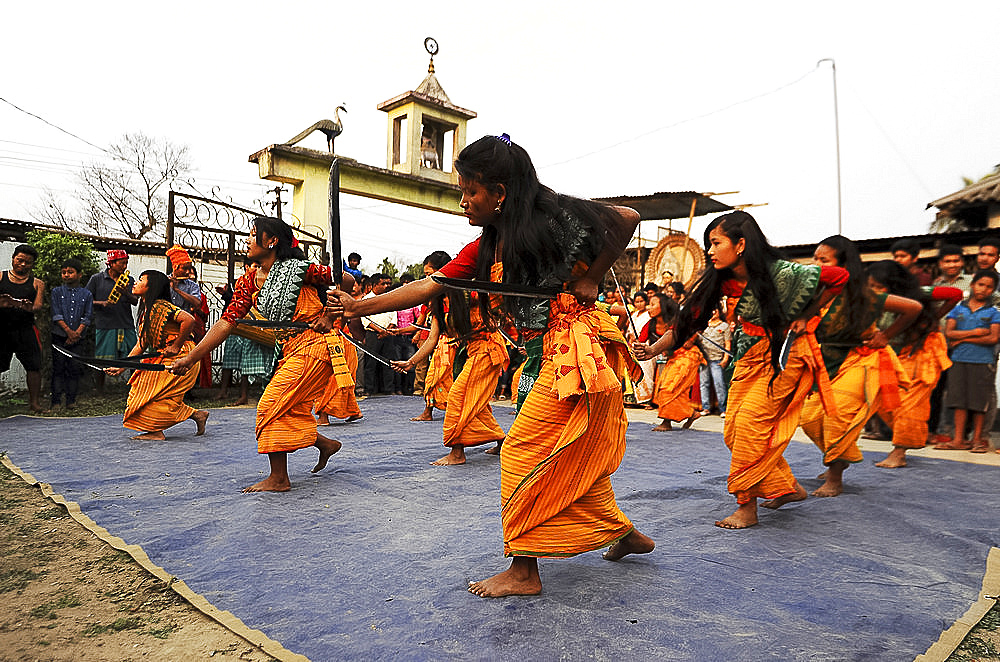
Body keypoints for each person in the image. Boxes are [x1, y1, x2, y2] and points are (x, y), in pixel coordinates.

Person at [328, 134, 654, 597]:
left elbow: (627, 219)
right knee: (563, 451)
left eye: (470, 191)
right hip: (548, 356)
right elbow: (428, 287)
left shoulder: (554, 217)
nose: (463, 202)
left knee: (521, 450)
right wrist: (363, 306)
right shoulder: (484, 248)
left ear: (499, 194)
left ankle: (524, 572)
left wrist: (591, 275)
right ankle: (625, 534)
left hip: (575, 350)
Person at [641, 211, 848, 529]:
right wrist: (653, 349)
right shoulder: (721, 281)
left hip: (785, 356)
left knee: (750, 426)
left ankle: (746, 507)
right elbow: (689, 321)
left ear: (740, 245)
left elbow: (839, 278)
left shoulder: (783, 273)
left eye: (715, 243)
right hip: (748, 357)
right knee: (734, 431)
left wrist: (809, 314)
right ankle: (787, 488)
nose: (710, 251)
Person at [168, 216, 342, 492]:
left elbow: (339, 279)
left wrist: (329, 314)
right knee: (288, 407)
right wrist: (190, 358)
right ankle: (325, 443)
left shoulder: (301, 269)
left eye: (252, 234)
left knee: (269, 405)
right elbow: (227, 322)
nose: (248, 240)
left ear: (271, 240)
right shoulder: (249, 281)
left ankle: (279, 479)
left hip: (316, 346)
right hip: (288, 349)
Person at [798, 236, 921, 497]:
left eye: (824, 260)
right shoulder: (814, 293)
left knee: (836, 417)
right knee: (808, 418)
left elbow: (913, 307)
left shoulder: (864, 296)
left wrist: (885, 335)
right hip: (825, 363)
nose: (817, 264)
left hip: (860, 360)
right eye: (815, 259)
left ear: (843, 265)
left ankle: (834, 477)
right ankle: (837, 456)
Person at [867, 261, 962, 469]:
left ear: (893, 285)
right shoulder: (874, 302)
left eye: (877, 286)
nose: (873, 291)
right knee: (885, 400)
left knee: (910, 402)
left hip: (924, 352)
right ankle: (908, 439)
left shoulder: (916, 295)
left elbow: (955, 294)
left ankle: (899, 452)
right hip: (896, 354)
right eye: (870, 286)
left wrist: (933, 318)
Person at [105, 270, 208, 440]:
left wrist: (175, 346)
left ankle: (156, 431)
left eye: (140, 280)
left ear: (151, 286)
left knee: (149, 392)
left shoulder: (161, 306)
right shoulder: (147, 311)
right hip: (170, 356)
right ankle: (197, 415)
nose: (135, 283)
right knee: (148, 391)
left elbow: (189, 320)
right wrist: (121, 366)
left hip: (182, 357)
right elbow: (141, 345)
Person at [933, 269, 1000, 452]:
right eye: (980, 284)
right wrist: (977, 332)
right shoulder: (958, 308)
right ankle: (958, 440)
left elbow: (993, 338)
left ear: (993, 290)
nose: (983, 289)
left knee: (979, 403)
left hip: (983, 361)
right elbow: (949, 332)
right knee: (958, 401)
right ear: (972, 284)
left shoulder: (994, 312)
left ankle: (977, 440)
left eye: (989, 287)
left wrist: (962, 339)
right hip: (958, 359)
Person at [635, 293, 700, 430]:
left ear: (663, 306)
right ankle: (691, 413)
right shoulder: (650, 324)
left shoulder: (677, 321)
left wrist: (690, 340)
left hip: (687, 356)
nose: (649, 308)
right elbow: (640, 340)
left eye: (653, 304)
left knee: (668, 388)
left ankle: (667, 422)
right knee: (666, 388)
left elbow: (693, 331)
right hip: (672, 358)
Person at [0, 244, 46, 412]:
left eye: (28, 262)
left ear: (32, 264)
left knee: (34, 366)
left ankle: (34, 403)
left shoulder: (37, 283)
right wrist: (3, 303)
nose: (23, 264)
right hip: (2, 329)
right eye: (20, 260)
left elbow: (38, 306)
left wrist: (28, 307)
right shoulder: (0, 277)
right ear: (13, 258)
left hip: (26, 329)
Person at [86, 250, 138, 394]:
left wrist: (125, 293)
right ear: (112, 263)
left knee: (133, 357)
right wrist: (101, 303)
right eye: (122, 263)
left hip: (126, 323)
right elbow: (86, 300)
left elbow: (135, 301)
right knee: (103, 358)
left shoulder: (129, 280)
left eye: (126, 263)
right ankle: (100, 390)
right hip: (105, 324)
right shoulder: (97, 279)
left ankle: (134, 388)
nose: (125, 266)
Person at [50, 258, 93, 410]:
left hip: (78, 338)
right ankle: (55, 401)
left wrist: (76, 333)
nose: (66, 275)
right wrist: (68, 332)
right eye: (63, 272)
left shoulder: (86, 294)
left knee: (74, 368)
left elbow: (87, 316)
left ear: (79, 275)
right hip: (59, 336)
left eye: (70, 272)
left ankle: (71, 401)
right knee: (58, 368)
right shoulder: (56, 292)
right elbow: (56, 314)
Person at [697, 304, 731, 416]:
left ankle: (723, 409)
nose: (713, 312)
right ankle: (705, 407)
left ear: (719, 311)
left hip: (717, 359)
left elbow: (727, 343)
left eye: (715, 310)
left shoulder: (724, 326)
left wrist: (726, 358)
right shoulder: (703, 325)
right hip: (704, 359)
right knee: (704, 383)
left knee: (719, 383)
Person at [626, 290, 654, 405]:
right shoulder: (633, 315)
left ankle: (648, 400)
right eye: (636, 302)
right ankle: (638, 399)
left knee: (647, 371)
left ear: (645, 301)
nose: (639, 304)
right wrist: (631, 337)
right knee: (635, 370)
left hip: (646, 344)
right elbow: (629, 331)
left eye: (641, 301)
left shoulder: (649, 315)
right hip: (634, 344)